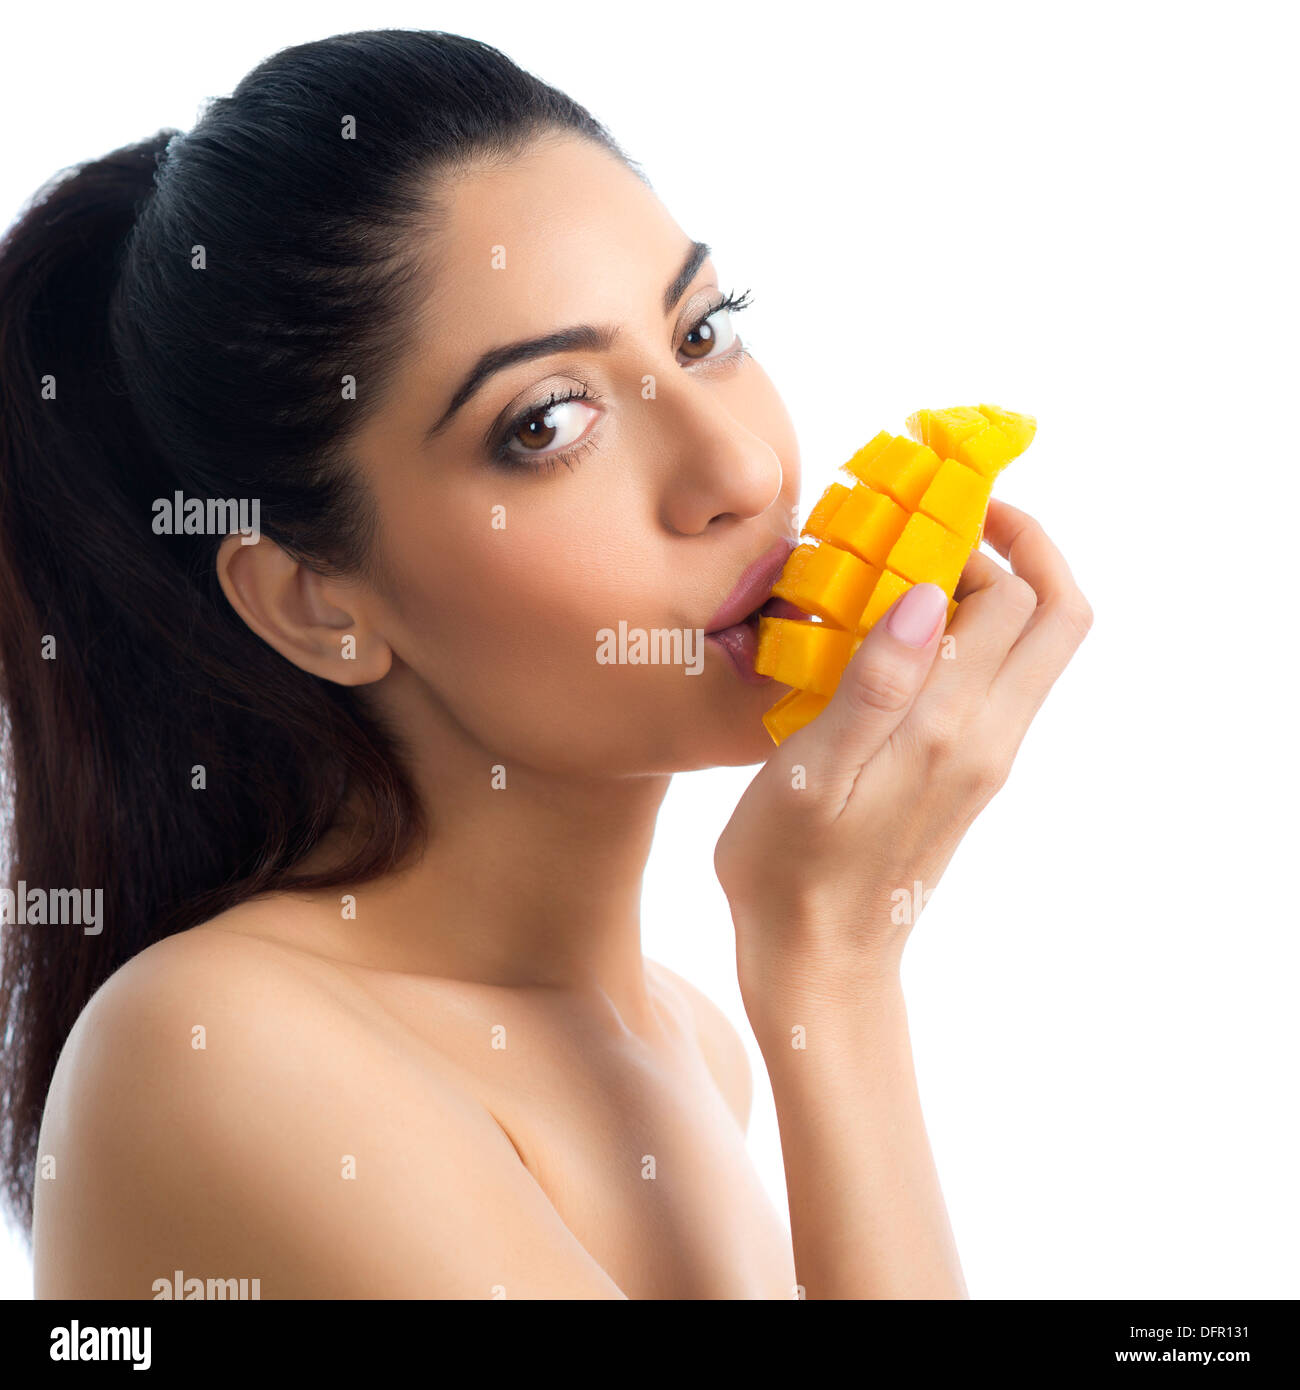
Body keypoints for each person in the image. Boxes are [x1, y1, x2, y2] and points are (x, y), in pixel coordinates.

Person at [0, 29, 1091, 1298]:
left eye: (701, 333)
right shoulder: (213, 1046)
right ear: (317, 604)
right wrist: (833, 967)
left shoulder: (692, 1046)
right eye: (548, 421)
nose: (739, 472)